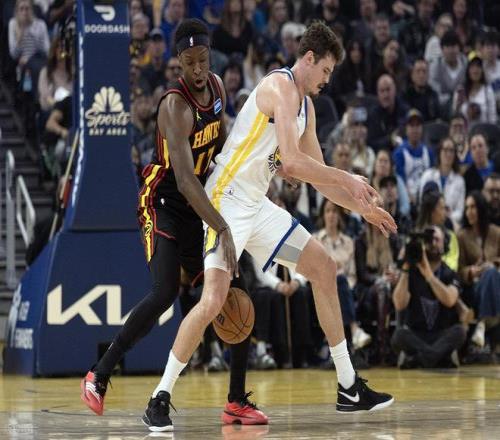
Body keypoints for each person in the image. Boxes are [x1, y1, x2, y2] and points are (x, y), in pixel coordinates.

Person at [152, 22, 397, 427]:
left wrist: (362, 209)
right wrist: (350, 178)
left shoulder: (306, 108)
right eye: (325, 71)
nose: (327, 80)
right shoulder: (279, 87)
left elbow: (318, 177)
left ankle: (349, 386)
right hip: (226, 199)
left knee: (324, 268)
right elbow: (294, 163)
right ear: (309, 58)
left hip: (256, 204)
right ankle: (159, 397)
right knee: (213, 301)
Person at [80, 19, 268, 430]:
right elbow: (184, 179)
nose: (198, 69)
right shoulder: (174, 107)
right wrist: (223, 227)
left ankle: (236, 400)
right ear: (178, 61)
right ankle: (99, 374)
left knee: (234, 292)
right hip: (164, 201)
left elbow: (221, 152)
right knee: (165, 290)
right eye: (189, 62)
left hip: (199, 202)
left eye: (203, 60)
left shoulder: (216, 89)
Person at [392, 226, 466, 368]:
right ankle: (438, 358)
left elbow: (450, 300)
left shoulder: (449, 273)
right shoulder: (411, 272)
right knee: (399, 335)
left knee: (460, 331)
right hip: (416, 334)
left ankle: (417, 360)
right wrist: (405, 268)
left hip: (441, 334)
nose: (433, 244)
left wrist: (429, 276)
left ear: (444, 244)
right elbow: (399, 304)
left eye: (437, 240)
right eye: (429, 240)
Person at [457, 191, 500, 348]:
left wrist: (494, 264)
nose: (469, 211)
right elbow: (458, 269)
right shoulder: (461, 236)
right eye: (467, 208)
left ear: (481, 208)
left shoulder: (496, 233)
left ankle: (482, 324)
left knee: (492, 273)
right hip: (474, 289)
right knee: (490, 274)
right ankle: (486, 324)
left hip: (496, 284)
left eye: (473, 207)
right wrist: (471, 271)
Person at [419, 137, 465, 227]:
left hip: (450, 223)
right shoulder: (428, 175)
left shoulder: (460, 181)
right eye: (445, 150)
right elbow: (422, 203)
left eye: (451, 150)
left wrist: (445, 216)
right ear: (439, 152)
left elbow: (459, 211)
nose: (448, 154)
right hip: (429, 221)